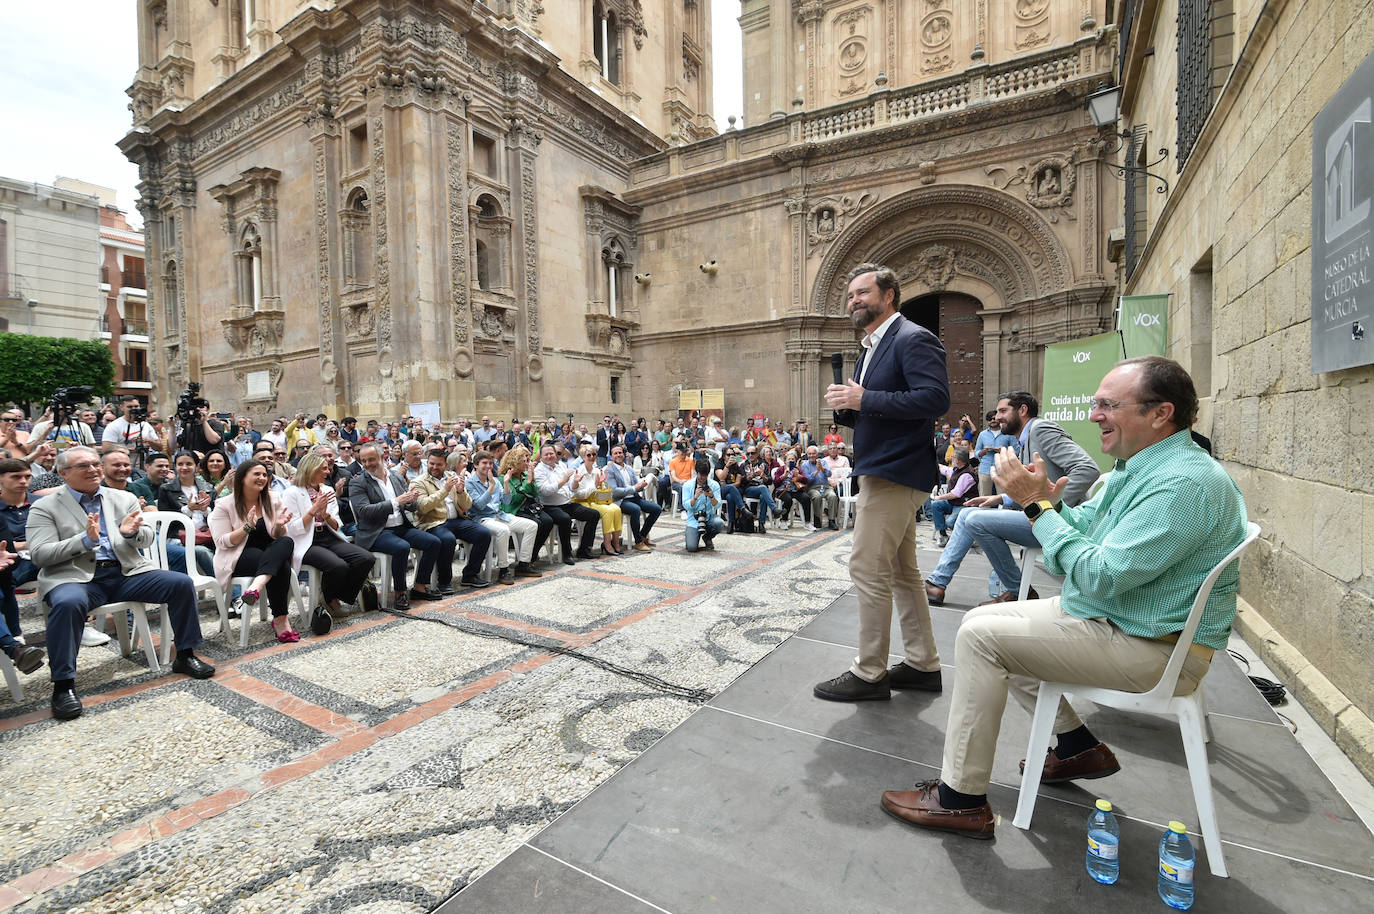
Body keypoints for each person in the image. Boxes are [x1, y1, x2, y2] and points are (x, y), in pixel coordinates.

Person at [880, 356, 1248, 839]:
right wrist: (1046, 508)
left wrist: (1036, 506)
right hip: (1122, 618)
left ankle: (960, 800)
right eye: (1096, 403)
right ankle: (1075, 744)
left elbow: (1099, 575)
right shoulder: (1137, 469)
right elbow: (1079, 541)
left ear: (1161, 413)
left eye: (1108, 405)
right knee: (994, 621)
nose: (1094, 415)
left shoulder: (1183, 482)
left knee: (981, 638)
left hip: (1154, 647)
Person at [814, 263, 950, 702]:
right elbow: (882, 408)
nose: (854, 299)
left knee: (866, 568)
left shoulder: (912, 337)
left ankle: (870, 672)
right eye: (850, 294)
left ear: (889, 295)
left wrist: (863, 397)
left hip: (895, 471)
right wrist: (849, 407)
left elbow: (934, 398)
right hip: (886, 466)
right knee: (901, 573)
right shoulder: (871, 348)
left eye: (863, 292)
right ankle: (923, 663)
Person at [29, 446, 216, 720]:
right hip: (77, 577)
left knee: (179, 584)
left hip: (127, 572)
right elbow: (39, 554)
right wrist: (83, 541)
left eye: (95, 463)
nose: (93, 469)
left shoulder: (123, 497)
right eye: (84, 466)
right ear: (63, 473)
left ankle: (185, 654)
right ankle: (63, 684)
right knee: (67, 604)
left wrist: (131, 534)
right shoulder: (45, 507)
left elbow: (147, 538)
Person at [924, 390, 1101, 607]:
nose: (997, 417)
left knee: (975, 520)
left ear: (1023, 410)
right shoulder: (1025, 439)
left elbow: (1087, 469)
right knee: (969, 514)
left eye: (1003, 411)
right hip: (1039, 517)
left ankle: (1017, 590)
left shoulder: (1041, 430)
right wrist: (999, 498)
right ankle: (937, 582)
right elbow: (1033, 487)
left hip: (1059, 523)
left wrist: (1051, 508)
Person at [209, 458, 302, 643]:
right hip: (238, 555)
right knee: (280, 567)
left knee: (286, 541)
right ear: (243, 478)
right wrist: (246, 528)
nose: (262, 478)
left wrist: (279, 525)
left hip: (269, 551)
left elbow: (276, 535)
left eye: (264, 475)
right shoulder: (224, 504)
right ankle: (281, 621)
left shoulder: (273, 498)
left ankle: (256, 587)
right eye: (256, 474)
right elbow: (222, 542)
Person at [348, 443, 443, 610]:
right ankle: (400, 593)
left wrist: (412, 499)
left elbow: (412, 507)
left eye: (371, 459)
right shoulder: (358, 482)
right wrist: (396, 502)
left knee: (433, 542)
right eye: (363, 460)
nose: (367, 464)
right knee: (402, 547)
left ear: (382, 457)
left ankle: (420, 587)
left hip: (401, 526)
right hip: (377, 531)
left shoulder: (396, 478)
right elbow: (363, 511)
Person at [282, 454, 375, 615]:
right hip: (306, 541)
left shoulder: (327, 490)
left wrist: (325, 515)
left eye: (328, 468)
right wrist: (313, 510)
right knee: (338, 566)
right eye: (323, 468)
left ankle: (337, 595)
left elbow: (337, 524)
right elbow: (292, 529)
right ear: (311, 469)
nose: (328, 471)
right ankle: (330, 599)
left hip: (328, 535)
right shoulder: (292, 492)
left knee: (366, 558)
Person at [413, 449, 492, 590]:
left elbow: (467, 505)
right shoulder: (419, 482)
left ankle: (470, 575)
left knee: (484, 533)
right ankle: (443, 581)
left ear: (446, 464)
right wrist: (445, 489)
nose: (434, 467)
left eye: (439, 464)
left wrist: (461, 491)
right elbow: (423, 507)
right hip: (433, 523)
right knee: (448, 539)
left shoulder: (452, 476)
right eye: (431, 464)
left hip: (455, 521)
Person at [466, 449, 541, 582]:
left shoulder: (494, 480)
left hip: (500, 515)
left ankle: (523, 564)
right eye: (484, 463)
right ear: (476, 465)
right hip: (482, 519)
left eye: (490, 463)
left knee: (531, 525)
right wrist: (492, 486)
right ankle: (503, 569)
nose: (488, 466)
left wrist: (505, 484)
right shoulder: (470, 483)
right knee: (503, 530)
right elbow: (479, 505)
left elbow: (506, 501)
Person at [533, 444, 601, 563]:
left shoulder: (562, 466)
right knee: (565, 519)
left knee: (594, 514)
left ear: (556, 454)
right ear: (541, 457)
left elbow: (572, 488)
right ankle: (566, 553)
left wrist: (575, 482)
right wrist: (563, 480)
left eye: (551, 453)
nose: (549, 456)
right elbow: (545, 491)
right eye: (546, 454)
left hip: (567, 503)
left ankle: (584, 549)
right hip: (550, 506)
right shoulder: (539, 470)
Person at [496, 446, 555, 568]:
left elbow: (535, 493)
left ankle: (532, 554)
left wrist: (530, 481)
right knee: (536, 523)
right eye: (525, 461)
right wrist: (527, 483)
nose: (527, 463)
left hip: (529, 507)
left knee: (548, 521)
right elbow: (514, 499)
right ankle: (525, 560)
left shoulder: (524, 475)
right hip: (514, 509)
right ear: (515, 462)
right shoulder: (504, 478)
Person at [570, 444, 623, 555]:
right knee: (608, 511)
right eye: (589, 455)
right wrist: (594, 486)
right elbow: (579, 495)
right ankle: (607, 543)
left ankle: (616, 541)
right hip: (582, 502)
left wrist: (600, 485)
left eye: (594, 454)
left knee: (616, 509)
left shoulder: (597, 471)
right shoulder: (579, 471)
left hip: (596, 500)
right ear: (583, 457)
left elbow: (599, 489)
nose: (592, 457)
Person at [606, 444, 661, 549]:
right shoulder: (609, 470)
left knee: (656, 509)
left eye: (620, 452)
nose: (618, 455)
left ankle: (643, 535)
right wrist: (633, 488)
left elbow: (637, 486)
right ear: (611, 457)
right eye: (615, 453)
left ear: (624, 454)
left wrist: (642, 485)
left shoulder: (629, 469)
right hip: (620, 500)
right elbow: (614, 491)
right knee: (635, 509)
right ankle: (638, 542)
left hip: (634, 497)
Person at [927, 448, 977, 546]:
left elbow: (955, 494)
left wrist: (939, 497)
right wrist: (932, 462)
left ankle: (970, 537)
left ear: (958, 460)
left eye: (953, 457)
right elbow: (945, 470)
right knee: (936, 505)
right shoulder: (957, 469)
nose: (951, 458)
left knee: (950, 523)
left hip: (965, 505)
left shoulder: (967, 474)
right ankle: (943, 535)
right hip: (954, 503)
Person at [680, 457, 725, 552]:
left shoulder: (714, 485)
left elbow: (717, 505)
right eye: (701, 475)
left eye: (705, 475)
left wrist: (712, 497)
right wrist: (695, 497)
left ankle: (707, 537)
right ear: (697, 472)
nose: (703, 478)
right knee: (691, 548)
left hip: (709, 517)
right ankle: (692, 534)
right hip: (693, 519)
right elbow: (685, 505)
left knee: (720, 523)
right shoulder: (687, 485)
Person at [799, 445, 839, 531]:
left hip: (826, 486)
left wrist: (822, 468)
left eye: (813, 453)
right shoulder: (805, 465)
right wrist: (817, 471)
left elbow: (829, 474)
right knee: (817, 496)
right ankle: (817, 519)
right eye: (809, 454)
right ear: (807, 455)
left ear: (817, 454)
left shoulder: (823, 462)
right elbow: (807, 480)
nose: (811, 455)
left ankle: (831, 521)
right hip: (813, 488)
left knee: (833, 496)